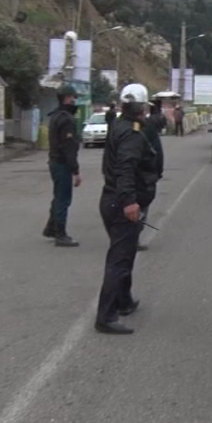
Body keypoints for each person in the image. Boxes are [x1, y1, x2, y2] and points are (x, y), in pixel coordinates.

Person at [94, 83, 160, 335]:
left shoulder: (119, 126)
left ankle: (124, 300)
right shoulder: (131, 134)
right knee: (119, 260)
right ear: (140, 107)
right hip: (121, 203)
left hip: (111, 199)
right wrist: (130, 201)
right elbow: (126, 167)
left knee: (125, 254)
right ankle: (106, 316)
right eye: (143, 106)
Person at [43, 84, 82, 247]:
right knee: (63, 199)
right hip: (62, 164)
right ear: (67, 98)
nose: (74, 100)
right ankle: (61, 234)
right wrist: (76, 170)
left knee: (58, 196)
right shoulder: (66, 119)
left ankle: (51, 228)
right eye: (72, 97)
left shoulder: (56, 116)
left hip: (54, 161)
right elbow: (68, 147)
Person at [135, 96, 167, 252]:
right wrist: (158, 171)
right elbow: (157, 152)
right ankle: (133, 237)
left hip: (123, 174)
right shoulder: (149, 127)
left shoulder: (120, 126)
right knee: (142, 205)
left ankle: (125, 236)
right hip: (144, 174)